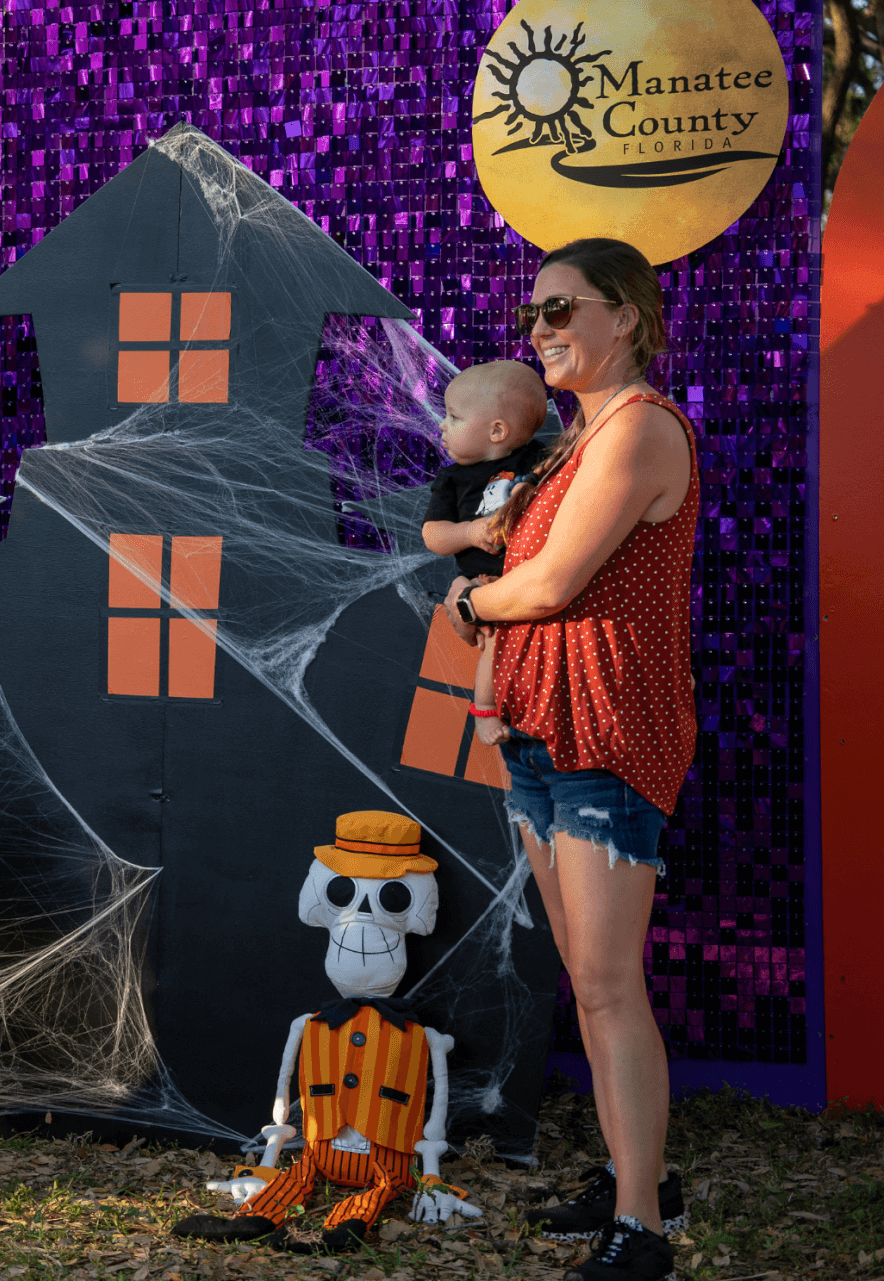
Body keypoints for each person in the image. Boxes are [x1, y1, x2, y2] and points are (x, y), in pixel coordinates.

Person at [443, 238, 697, 1281]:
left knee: (603, 983)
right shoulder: (569, 444)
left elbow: (542, 587)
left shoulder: (639, 430)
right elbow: (518, 569)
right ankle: (637, 1176)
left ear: (625, 316)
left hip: (610, 733)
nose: (539, 330)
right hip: (544, 733)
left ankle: (641, 1221)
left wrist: (469, 601)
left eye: (561, 310)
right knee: (586, 981)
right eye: (532, 314)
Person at [420, 359, 550, 750]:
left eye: (454, 417)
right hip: (484, 582)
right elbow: (433, 535)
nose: (442, 425)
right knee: (494, 643)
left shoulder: (535, 461)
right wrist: (471, 531)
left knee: (512, 643)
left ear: (498, 431)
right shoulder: (453, 477)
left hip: (521, 582)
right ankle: (484, 710)